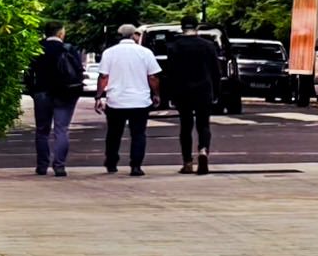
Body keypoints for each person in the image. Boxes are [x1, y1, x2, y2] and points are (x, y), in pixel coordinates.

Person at [94, 24, 162, 175]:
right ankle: (136, 165)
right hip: (140, 100)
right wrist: (156, 94)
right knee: (138, 134)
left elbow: (104, 76)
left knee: (114, 133)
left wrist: (98, 96)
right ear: (134, 36)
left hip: (116, 100)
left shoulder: (109, 53)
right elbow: (153, 76)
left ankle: (111, 162)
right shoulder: (145, 52)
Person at [23, 25, 86, 177]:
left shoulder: (37, 49)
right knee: (61, 129)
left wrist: (33, 91)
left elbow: (28, 73)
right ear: (60, 33)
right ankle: (59, 166)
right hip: (65, 93)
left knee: (42, 131)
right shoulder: (68, 49)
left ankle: (42, 165)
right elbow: (78, 71)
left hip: (42, 93)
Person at [161, 28, 224, 175]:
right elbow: (216, 71)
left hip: (183, 90)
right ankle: (203, 150)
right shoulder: (208, 45)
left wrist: (170, 93)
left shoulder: (174, 46)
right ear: (196, 28)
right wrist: (216, 91)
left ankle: (187, 162)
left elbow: (170, 72)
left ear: (183, 29)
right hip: (204, 89)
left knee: (185, 126)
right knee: (203, 124)